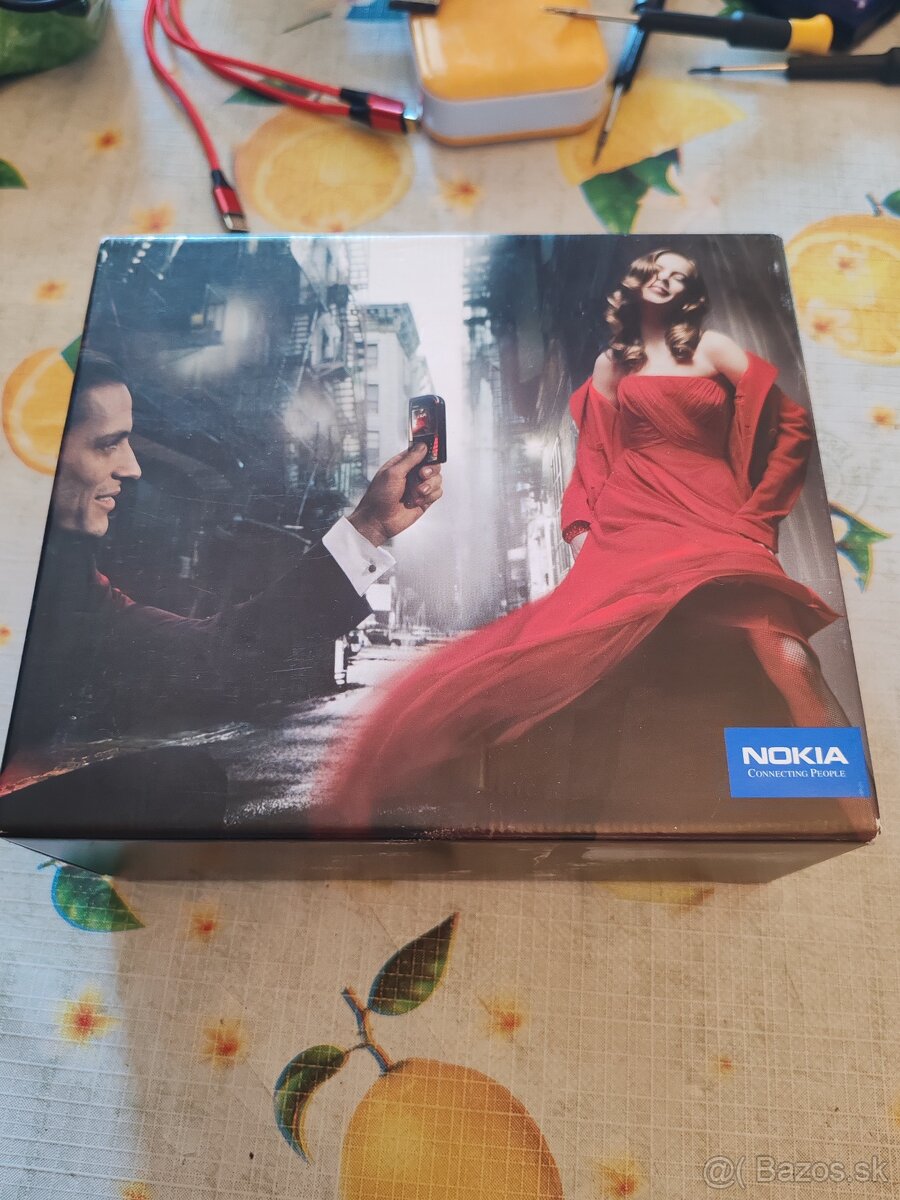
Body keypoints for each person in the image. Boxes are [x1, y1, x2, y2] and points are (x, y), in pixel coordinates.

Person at [319, 249, 847, 826]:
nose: (667, 281)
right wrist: (581, 529)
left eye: (680, 276)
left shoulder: (712, 348)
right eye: (657, 272)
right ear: (637, 285)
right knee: (597, 657)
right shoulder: (610, 366)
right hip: (636, 519)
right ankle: (566, 805)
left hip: (718, 515)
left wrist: (759, 516)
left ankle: (852, 806)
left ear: (689, 294)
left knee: (788, 654)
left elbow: (791, 424)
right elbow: (593, 456)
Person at [3, 350, 442, 759]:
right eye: (106, 444)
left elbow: (222, 654)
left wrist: (370, 527)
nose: (132, 467)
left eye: (128, 442)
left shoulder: (76, 589)